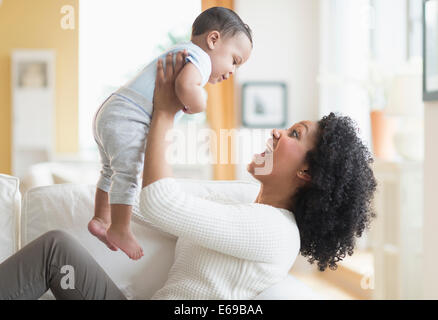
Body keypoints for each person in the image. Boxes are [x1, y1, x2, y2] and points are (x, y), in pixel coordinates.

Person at [0, 51, 377, 300]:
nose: (277, 132)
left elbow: (162, 202)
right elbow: (156, 201)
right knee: (56, 249)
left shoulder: (276, 232)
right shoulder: (248, 207)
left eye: (294, 134)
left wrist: (164, 111)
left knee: (53, 250)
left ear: (307, 172)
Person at [88, 6, 253, 260]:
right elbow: (185, 85)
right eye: (234, 60)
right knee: (129, 172)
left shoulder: (182, 53)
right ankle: (120, 228)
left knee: (110, 170)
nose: (232, 71)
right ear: (213, 39)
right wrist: (199, 103)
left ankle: (101, 218)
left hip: (112, 111)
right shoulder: (199, 57)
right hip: (128, 116)